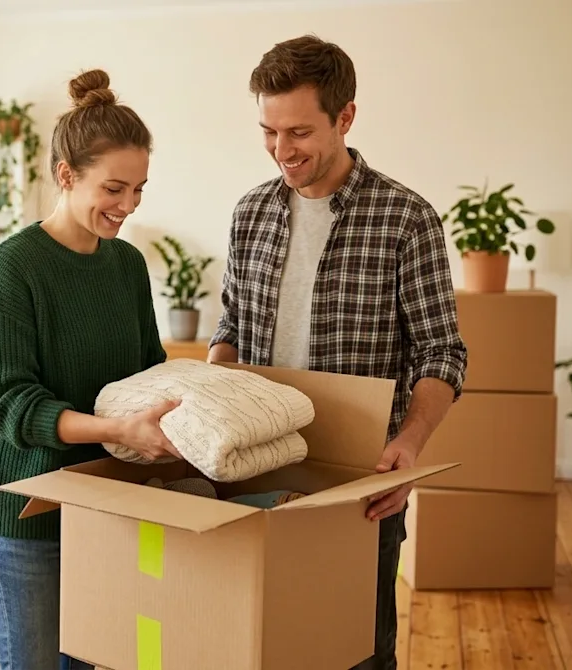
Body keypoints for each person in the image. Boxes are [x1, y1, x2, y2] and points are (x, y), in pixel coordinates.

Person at [207, 35, 468, 669]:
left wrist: (408, 448)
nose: (281, 150)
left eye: (298, 132)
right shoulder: (250, 214)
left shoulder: (407, 219)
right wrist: (211, 394)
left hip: (357, 489)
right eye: (268, 131)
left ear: (345, 117)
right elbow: (232, 326)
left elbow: (442, 352)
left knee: (357, 654)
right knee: (258, 645)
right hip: (255, 477)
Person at [0, 68, 183, 670]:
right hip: (27, 526)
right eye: (114, 188)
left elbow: (149, 369)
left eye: (139, 189)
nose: (128, 206)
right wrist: (118, 430)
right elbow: (12, 406)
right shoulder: (14, 270)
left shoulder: (127, 266)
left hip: (108, 510)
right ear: (66, 176)